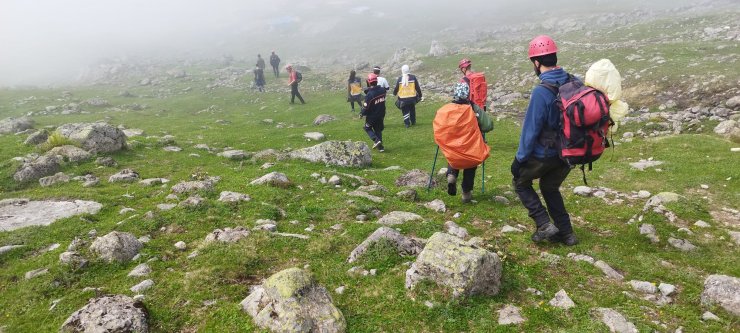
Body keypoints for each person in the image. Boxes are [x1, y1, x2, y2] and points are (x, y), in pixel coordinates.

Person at [511, 35, 577, 246]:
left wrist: (519, 160)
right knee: (550, 187)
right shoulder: (574, 81)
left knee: (520, 182)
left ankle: (543, 224)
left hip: (545, 154)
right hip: (568, 153)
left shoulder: (541, 91)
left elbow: (530, 130)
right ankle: (567, 234)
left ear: (537, 62)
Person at [445, 82, 484, 203]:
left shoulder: (448, 109)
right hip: (470, 144)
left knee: (454, 158)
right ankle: (466, 194)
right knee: (470, 166)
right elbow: (488, 125)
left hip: (454, 143)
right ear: (467, 93)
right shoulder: (473, 107)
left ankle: (452, 175)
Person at [361, 73, 386, 152]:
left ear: (368, 82)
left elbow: (366, 107)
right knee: (378, 129)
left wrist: (361, 113)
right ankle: (381, 147)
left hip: (372, 116)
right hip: (381, 113)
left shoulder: (369, 95)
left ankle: (375, 139)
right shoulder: (383, 90)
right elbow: (376, 92)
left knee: (367, 128)